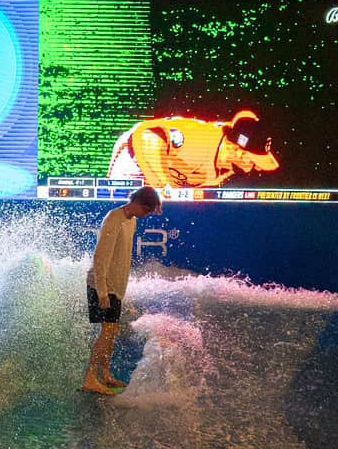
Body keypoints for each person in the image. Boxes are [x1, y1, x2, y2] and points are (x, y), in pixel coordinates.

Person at [82, 185, 161, 395]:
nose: (145, 216)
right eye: (146, 210)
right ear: (137, 203)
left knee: (111, 331)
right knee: (106, 333)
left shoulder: (131, 221)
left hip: (115, 287)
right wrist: (102, 291)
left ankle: (104, 373)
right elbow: (100, 257)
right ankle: (90, 378)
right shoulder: (114, 218)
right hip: (102, 285)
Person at [107, 108, 279, 189]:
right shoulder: (200, 139)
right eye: (254, 162)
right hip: (133, 161)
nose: (255, 168)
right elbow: (149, 136)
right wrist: (163, 185)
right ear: (237, 151)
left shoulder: (227, 169)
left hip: (160, 183)